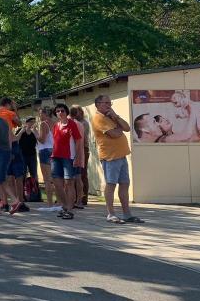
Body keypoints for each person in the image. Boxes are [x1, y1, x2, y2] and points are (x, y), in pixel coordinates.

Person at [93, 95, 143, 224]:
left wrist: (116, 117)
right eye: (106, 103)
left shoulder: (111, 116)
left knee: (125, 184)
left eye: (110, 103)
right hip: (110, 157)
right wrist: (119, 128)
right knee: (111, 184)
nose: (109, 105)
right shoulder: (98, 118)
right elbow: (114, 134)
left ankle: (127, 214)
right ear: (98, 104)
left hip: (121, 155)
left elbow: (127, 128)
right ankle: (111, 214)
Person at [50, 104, 84, 220]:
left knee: (69, 183)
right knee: (57, 183)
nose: (60, 113)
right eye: (57, 111)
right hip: (55, 157)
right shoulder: (56, 125)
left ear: (66, 112)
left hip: (68, 157)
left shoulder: (72, 124)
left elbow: (78, 140)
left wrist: (78, 157)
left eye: (62, 111)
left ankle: (70, 209)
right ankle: (64, 206)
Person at [0, 97, 28, 213]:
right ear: (9, 104)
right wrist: (15, 109)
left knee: (5, 176)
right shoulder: (9, 113)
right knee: (18, 176)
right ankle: (20, 202)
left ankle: (4, 203)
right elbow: (19, 123)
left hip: (1, 146)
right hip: (12, 144)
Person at [35, 107, 56, 206]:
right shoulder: (55, 123)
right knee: (55, 178)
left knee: (47, 179)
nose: (39, 116)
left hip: (44, 150)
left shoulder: (43, 124)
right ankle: (60, 202)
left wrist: (35, 132)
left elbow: (42, 140)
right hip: (54, 149)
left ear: (45, 114)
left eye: (40, 114)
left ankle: (50, 203)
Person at [18, 117, 39, 199]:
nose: (32, 123)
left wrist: (35, 131)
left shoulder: (35, 131)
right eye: (30, 122)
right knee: (22, 174)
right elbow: (16, 140)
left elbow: (39, 141)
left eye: (33, 122)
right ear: (26, 122)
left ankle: (36, 195)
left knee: (34, 174)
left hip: (32, 155)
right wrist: (21, 131)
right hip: (22, 155)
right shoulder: (21, 130)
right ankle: (22, 195)